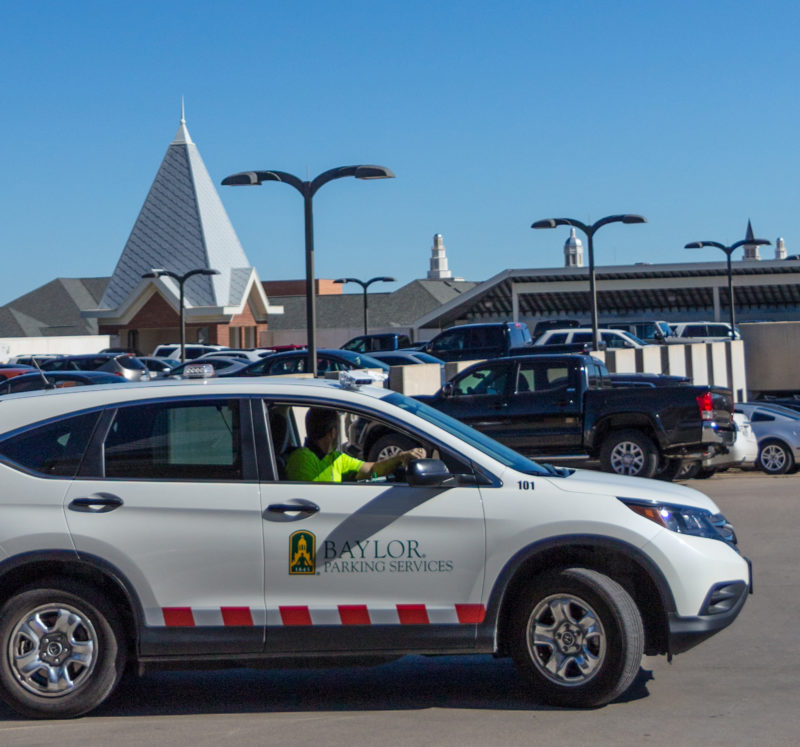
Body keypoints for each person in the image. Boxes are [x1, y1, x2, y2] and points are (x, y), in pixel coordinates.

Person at [285, 408, 425, 482]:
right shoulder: (302, 459)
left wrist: (400, 457)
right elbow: (308, 499)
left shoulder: (336, 458)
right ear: (333, 432)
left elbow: (372, 471)